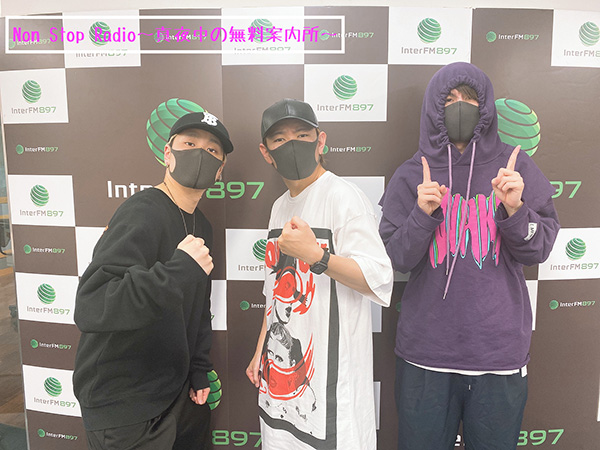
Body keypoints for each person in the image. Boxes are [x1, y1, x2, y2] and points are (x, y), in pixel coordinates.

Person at [379, 62, 560, 449]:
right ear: (433, 107)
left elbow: (539, 248)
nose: (460, 105)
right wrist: (421, 215)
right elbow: (396, 259)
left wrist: (516, 210)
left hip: (497, 354)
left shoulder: (515, 167)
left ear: (486, 106)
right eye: (449, 98)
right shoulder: (413, 173)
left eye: (471, 98)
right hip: (425, 353)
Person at [73, 111, 234, 450]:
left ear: (220, 170)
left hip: (178, 395)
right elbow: (94, 303)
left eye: (212, 150)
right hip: (126, 405)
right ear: (167, 154)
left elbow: (197, 307)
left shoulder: (202, 226)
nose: (200, 154)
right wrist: (178, 270)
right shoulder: (142, 211)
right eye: (189, 144)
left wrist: (198, 368)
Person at [246, 98, 394, 450]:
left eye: (302, 134)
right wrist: (261, 349)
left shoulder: (344, 197)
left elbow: (378, 277)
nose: (292, 144)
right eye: (280, 139)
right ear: (266, 152)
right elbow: (274, 293)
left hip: (333, 388)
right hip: (281, 381)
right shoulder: (278, 207)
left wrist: (317, 256)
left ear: (320, 141)